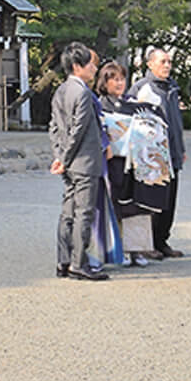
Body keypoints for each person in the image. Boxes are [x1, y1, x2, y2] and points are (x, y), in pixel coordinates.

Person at [49, 41, 108, 281]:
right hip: (83, 160)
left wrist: (58, 156)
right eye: (90, 64)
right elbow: (79, 129)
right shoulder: (82, 92)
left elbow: (54, 127)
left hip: (68, 160)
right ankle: (78, 263)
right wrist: (65, 158)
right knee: (83, 213)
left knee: (67, 213)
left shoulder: (60, 90)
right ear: (77, 66)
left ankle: (63, 261)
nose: (94, 68)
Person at [129, 46, 185, 259]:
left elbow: (176, 122)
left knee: (170, 201)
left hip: (173, 154)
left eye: (169, 62)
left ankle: (162, 241)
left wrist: (181, 148)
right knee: (153, 201)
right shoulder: (142, 88)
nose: (167, 66)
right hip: (153, 156)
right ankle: (147, 243)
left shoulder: (171, 87)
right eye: (163, 61)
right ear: (150, 64)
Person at [87, 62, 137, 269]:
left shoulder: (132, 103)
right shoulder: (100, 104)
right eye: (114, 79)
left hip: (132, 161)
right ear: (104, 82)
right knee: (113, 204)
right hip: (111, 161)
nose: (119, 83)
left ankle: (136, 249)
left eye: (122, 79)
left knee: (134, 204)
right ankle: (116, 250)